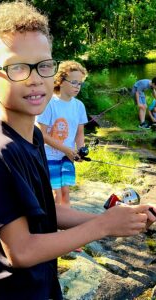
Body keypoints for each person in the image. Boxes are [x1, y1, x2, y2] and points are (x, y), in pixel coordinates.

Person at [0, 2, 156, 299]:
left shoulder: (32, 135)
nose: (35, 78)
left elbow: (48, 211)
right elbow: (20, 251)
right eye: (16, 67)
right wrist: (101, 227)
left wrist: (120, 219)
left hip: (40, 285)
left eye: (44, 66)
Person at [36, 61, 88, 207]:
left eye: (80, 83)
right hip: (48, 156)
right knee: (55, 194)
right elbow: (41, 134)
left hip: (67, 157)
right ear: (61, 81)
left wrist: (81, 150)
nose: (77, 86)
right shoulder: (49, 103)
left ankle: (65, 226)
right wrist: (66, 149)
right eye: (74, 82)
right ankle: (52, 226)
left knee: (65, 193)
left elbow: (79, 133)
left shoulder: (79, 106)